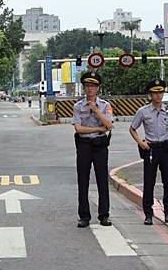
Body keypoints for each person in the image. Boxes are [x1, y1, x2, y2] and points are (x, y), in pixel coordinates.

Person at [129, 79, 168, 225]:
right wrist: (140, 141)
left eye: (160, 92)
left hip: (166, 148)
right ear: (150, 95)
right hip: (151, 149)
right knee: (149, 182)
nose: (159, 95)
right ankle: (148, 213)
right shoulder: (143, 111)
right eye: (155, 93)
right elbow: (132, 128)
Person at [72, 71, 114, 228]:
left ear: (98, 88)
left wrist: (96, 111)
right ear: (83, 87)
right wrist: (98, 127)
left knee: (102, 180)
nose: (90, 89)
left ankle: (104, 215)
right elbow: (78, 129)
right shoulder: (78, 106)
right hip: (83, 145)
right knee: (83, 181)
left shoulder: (105, 106)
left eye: (93, 86)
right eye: (87, 85)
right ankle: (84, 216)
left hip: (100, 146)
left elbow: (109, 126)